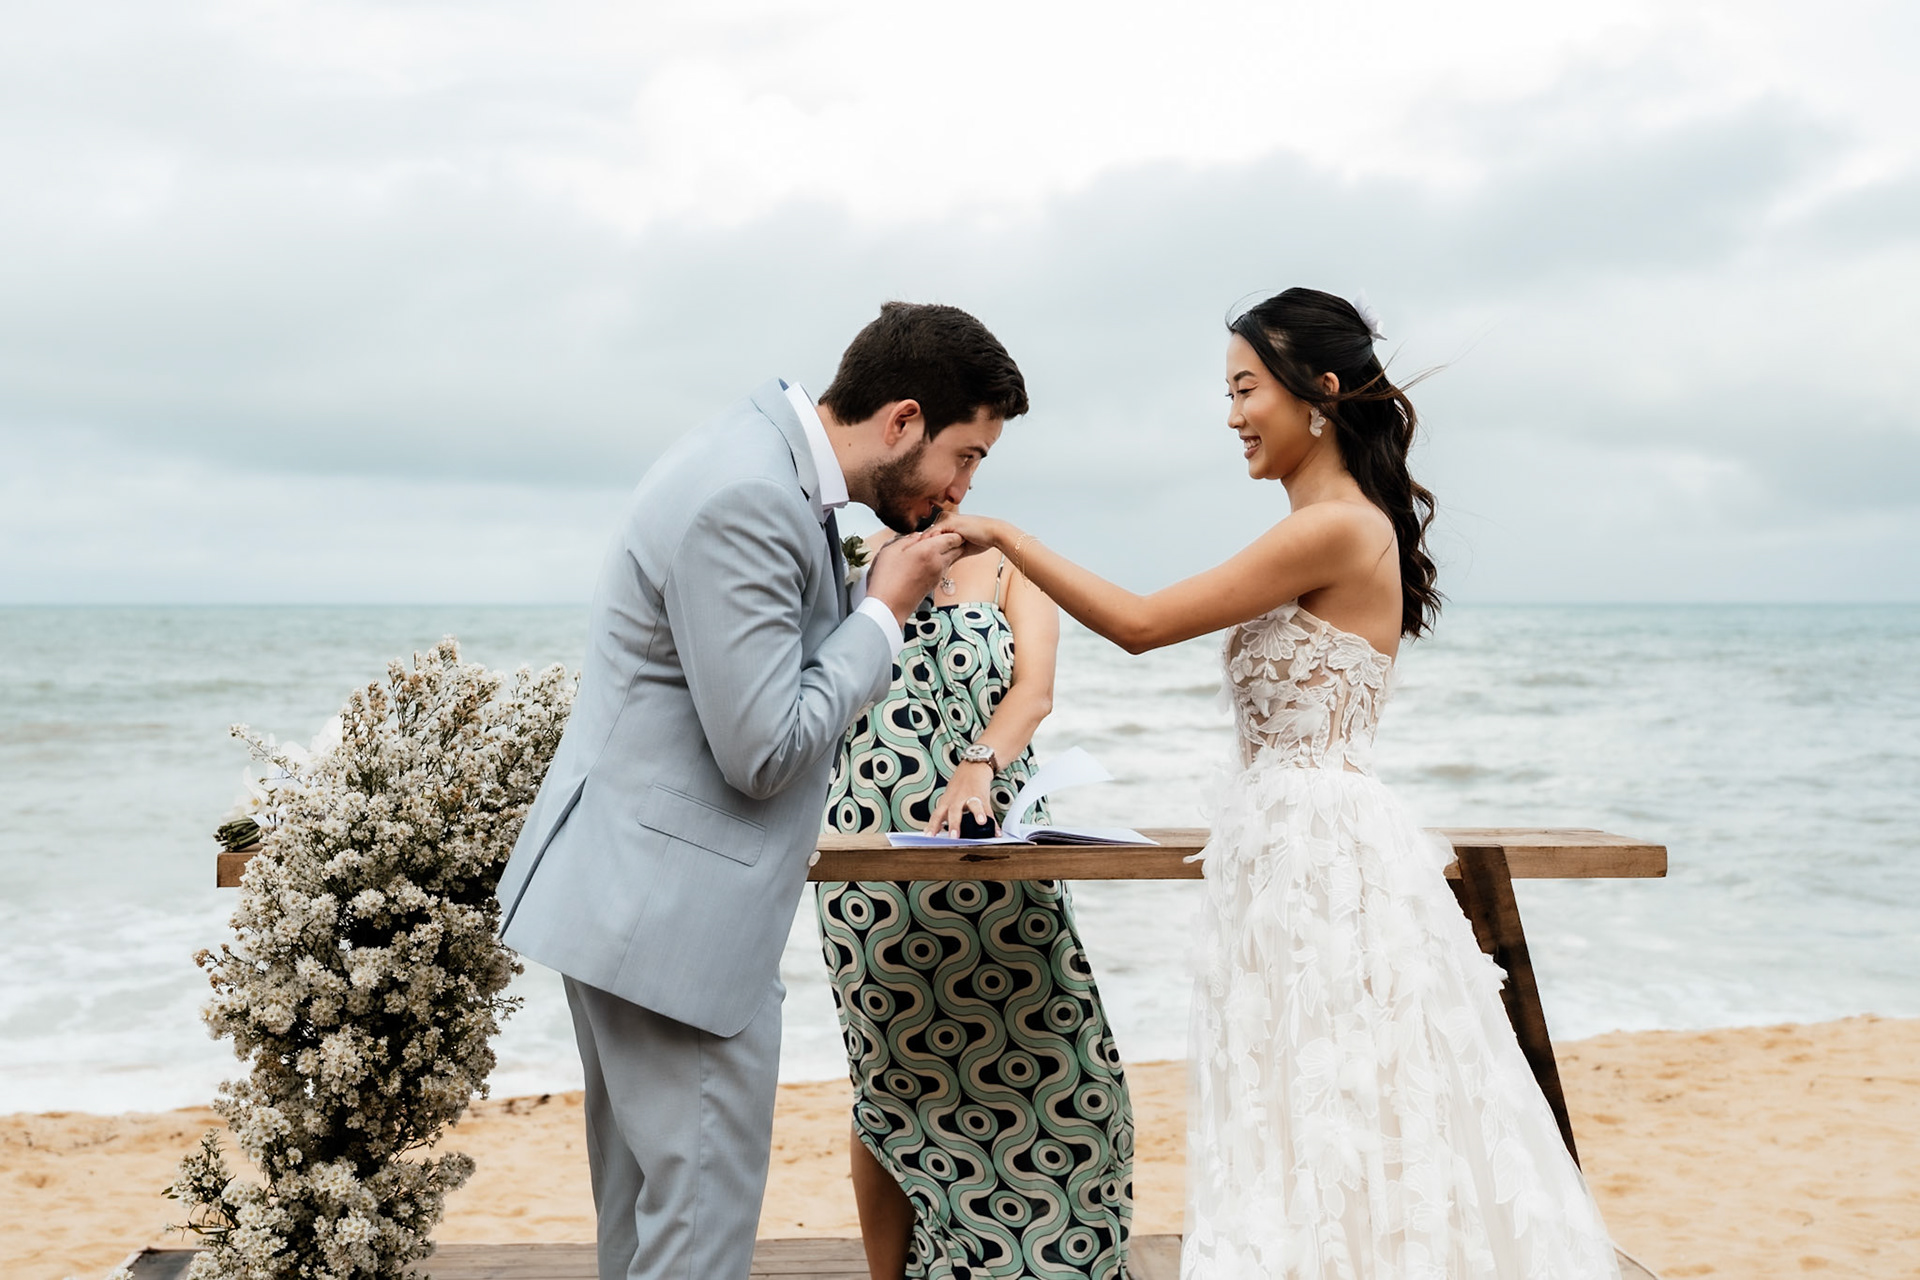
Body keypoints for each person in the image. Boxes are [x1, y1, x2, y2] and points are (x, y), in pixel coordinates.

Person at [941, 289, 1621, 1277]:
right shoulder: (1339, 524)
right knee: (1310, 1101)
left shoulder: (1333, 528)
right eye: (1228, 391)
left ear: (1322, 393)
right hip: (1289, 842)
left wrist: (1006, 537)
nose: (1231, 416)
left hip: (1318, 851)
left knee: (1325, 1097)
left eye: (1245, 387)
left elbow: (1139, 623)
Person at [495, 302, 1028, 1280]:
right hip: (672, 924)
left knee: (649, 1232)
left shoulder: (762, 464)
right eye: (968, 454)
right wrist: (883, 611)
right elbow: (766, 747)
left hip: (637, 899)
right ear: (903, 419)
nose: (963, 486)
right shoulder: (750, 494)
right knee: (694, 1240)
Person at [818, 517, 1135, 1280]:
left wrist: (979, 763)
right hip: (870, 848)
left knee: (1072, 1069)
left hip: (996, 837)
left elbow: (1036, 690)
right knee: (891, 1082)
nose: (959, 485)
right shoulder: (844, 563)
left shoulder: (1008, 564)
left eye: (974, 462)